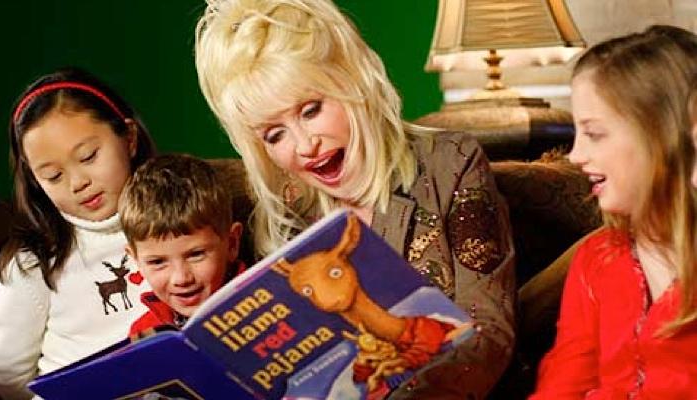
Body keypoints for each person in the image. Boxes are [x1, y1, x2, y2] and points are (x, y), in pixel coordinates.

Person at [194, 0, 515, 397]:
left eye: (311, 111)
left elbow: (488, 330)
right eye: (274, 135)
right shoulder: (287, 209)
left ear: (351, 81)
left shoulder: (449, 163)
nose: (305, 145)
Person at [531, 25, 697, 398]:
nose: (575, 155)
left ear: (662, 136)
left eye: (594, 133)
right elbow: (563, 384)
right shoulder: (597, 259)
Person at [0, 67, 156, 399]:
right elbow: (7, 377)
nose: (77, 183)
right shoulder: (34, 263)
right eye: (53, 176)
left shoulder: (182, 218)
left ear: (129, 138)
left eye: (88, 157)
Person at [118, 154, 245, 338]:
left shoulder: (270, 306)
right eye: (157, 262)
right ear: (136, 260)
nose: (181, 278)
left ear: (232, 244)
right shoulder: (143, 334)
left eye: (196, 254)